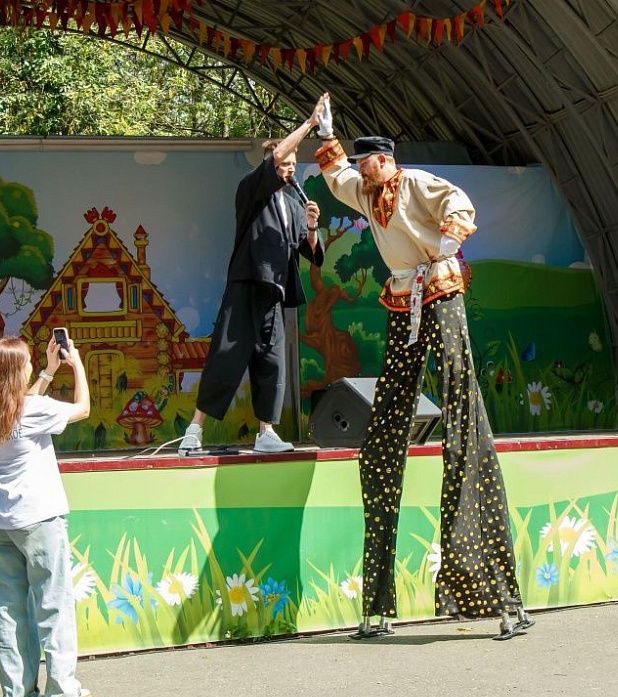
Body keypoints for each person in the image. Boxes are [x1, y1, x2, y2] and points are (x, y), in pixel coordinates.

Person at [311, 93, 533, 640]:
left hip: (438, 286)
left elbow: (458, 200)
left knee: (461, 403)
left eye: (367, 164)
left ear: (384, 160)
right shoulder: (367, 192)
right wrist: (326, 133)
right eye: (360, 166)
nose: (361, 173)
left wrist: (449, 240)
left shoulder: (413, 181)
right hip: (401, 299)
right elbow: (336, 178)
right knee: (387, 419)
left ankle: (496, 595)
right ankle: (377, 605)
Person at [178, 115, 325, 456]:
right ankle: (194, 430)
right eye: (284, 163)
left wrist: (311, 227)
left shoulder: (294, 205)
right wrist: (309, 124)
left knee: (271, 361)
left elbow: (312, 255)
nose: (289, 168)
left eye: (293, 164)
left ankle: (266, 432)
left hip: (274, 292)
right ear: (270, 164)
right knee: (227, 355)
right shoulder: (252, 190)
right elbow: (277, 158)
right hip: (247, 284)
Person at [0, 334, 92, 697]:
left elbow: (20, 406)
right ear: (15, 372)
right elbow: (83, 409)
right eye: (26, 364)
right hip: (38, 519)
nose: (30, 367)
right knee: (53, 601)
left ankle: (17, 694)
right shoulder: (31, 410)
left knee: (9, 606)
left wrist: (48, 373)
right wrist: (76, 363)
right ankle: (62, 689)